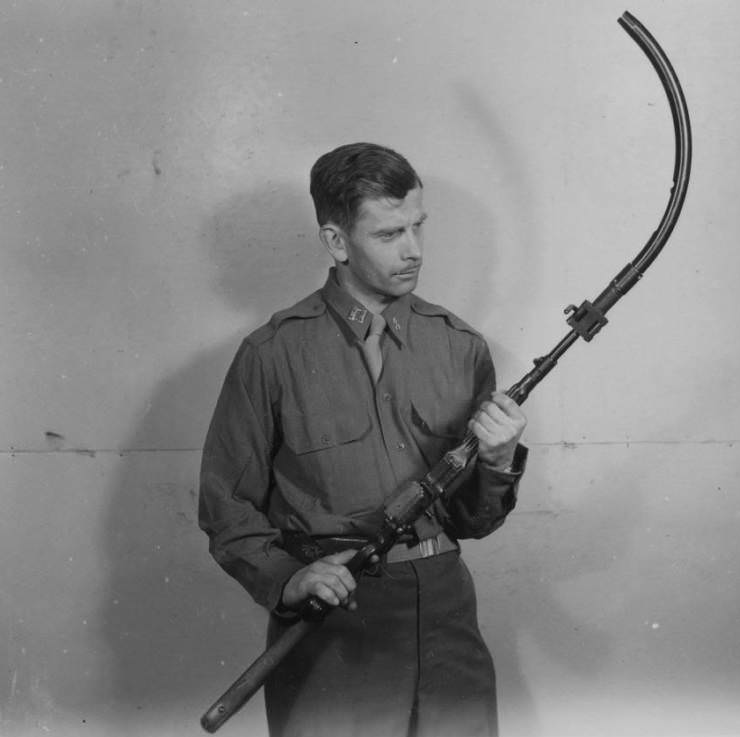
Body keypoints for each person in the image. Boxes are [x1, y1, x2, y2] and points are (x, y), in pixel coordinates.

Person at [199, 142, 528, 737]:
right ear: (336, 242)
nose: (414, 250)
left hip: (446, 618)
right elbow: (226, 507)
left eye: (419, 226)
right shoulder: (272, 356)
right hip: (334, 628)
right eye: (389, 234)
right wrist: (289, 580)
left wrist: (499, 461)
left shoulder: (459, 347)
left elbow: (471, 520)